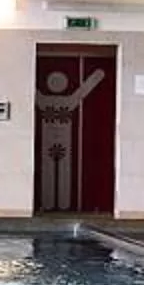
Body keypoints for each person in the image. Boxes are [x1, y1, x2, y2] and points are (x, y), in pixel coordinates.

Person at [37, 64, 107, 212]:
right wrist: (96, 75)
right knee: (53, 167)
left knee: (61, 168)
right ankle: (52, 202)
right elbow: (82, 92)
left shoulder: (52, 101)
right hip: (53, 140)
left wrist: (96, 75)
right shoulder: (63, 102)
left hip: (63, 141)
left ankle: (60, 203)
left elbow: (82, 91)